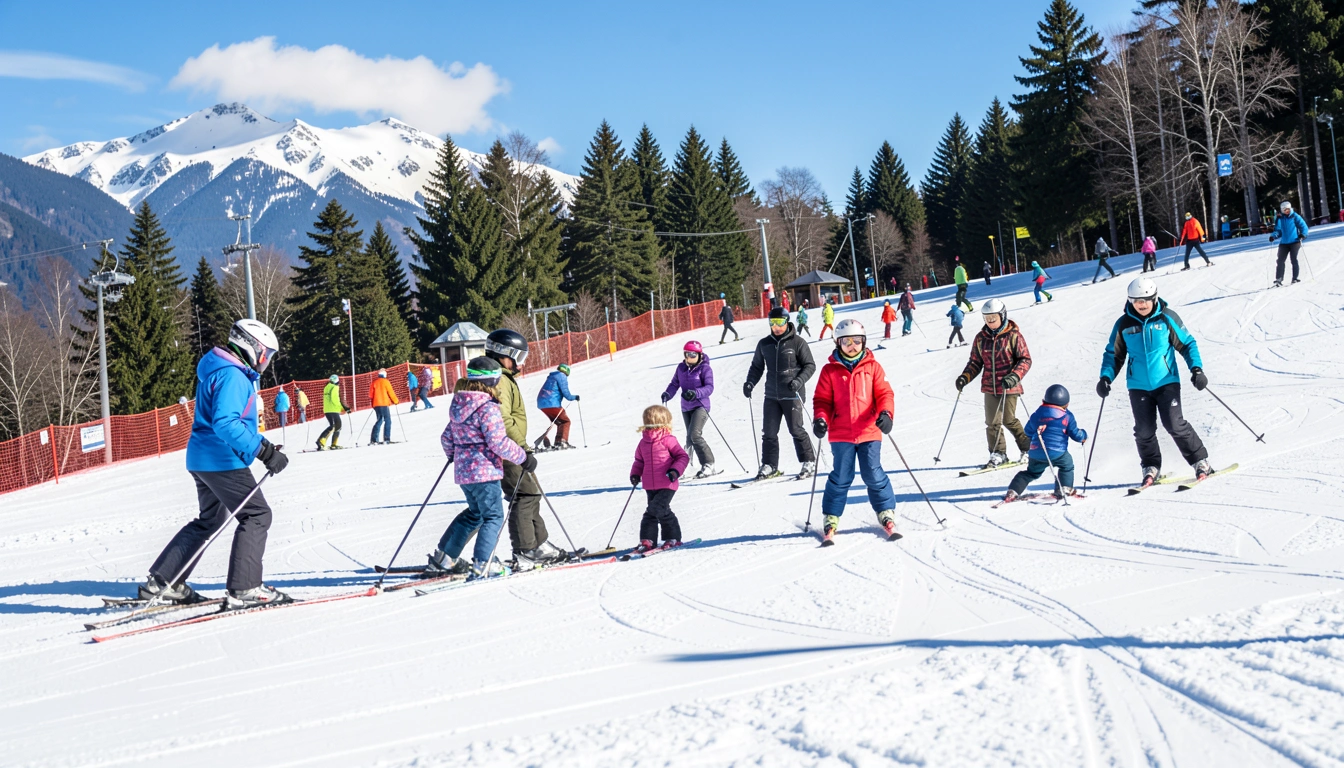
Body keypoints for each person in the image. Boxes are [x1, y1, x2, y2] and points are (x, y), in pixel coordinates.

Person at [139, 319, 291, 609]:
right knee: (257, 515)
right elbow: (226, 424)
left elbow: (228, 421)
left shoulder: (219, 370)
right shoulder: (233, 376)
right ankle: (245, 588)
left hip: (201, 457)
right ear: (254, 348)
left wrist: (265, 445)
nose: (266, 362)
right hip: (221, 460)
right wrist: (264, 452)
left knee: (210, 520)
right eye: (267, 355)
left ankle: (163, 582)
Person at [426, 357, 539, 578]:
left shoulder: (460, 405)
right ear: (493, 380)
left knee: (475, 514)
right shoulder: (488, 407)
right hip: (484, 471)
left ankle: (446, 557)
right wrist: (523, 457)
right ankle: (484, 563)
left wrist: (455, 456)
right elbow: (498, 442)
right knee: (493, 516)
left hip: (464, 474)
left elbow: (446, 437)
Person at [1098, 277, 1216, 487]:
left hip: (1166, 381)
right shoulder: (1124, 323)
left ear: (1154, 298)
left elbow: (1187, 344)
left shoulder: (1166, 318)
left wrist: (1196, 369)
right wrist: (1106, 377)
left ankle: (1200, 461)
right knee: (1144, 430)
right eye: (1136, 301)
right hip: (1138, 385)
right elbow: (1114, 354)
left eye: (1145, 300)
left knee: (1174, 424)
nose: (1141, 305)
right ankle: (1151, 466)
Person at [812, 318, 898, 545]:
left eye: (857, 341)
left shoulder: (873, 367)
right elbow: (822, 400)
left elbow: (884, 395)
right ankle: (831, 517)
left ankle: (886, 512)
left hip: (869, 429)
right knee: (841, 476)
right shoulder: (829, 371)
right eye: (847, 341)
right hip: (841, 433)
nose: (853, 346)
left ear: (864, 341)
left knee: (872, 473)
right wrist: (821, 419)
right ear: (838, 343)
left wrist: (886, 414)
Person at [485, 328, 566, 568]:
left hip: (511, 447)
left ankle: (538, 543)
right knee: (525, 494)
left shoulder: (502, 377)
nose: (520, 364)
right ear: (503, 354)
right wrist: (522, 448)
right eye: (517, 358)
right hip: (508, 448)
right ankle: (527, 548)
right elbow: (503, 418)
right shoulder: (498, 379)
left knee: (530, 493)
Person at [956, 298, 1033, 469]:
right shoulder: (981, 338)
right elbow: (975, 362)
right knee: (992, 422)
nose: (990, 322)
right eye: (987, 318)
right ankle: (998, 453)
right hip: (990, 387)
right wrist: (965, 377)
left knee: (1009, 419)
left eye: (993, 318)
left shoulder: (1014, 336)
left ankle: (1028, 448)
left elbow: (1025, 360)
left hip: (1009, 386)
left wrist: (1014, 376)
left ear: (1002, 315)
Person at [744, 306, 817, 480]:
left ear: (787, 321)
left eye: (780, 322)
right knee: (769, 432)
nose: (777, 327)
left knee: (796, 429)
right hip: (771, 395)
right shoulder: (764, 344)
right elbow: (757, 367)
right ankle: (769, 465)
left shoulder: (797, 342)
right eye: (773, 323)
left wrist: (798, 381)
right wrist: (750, 383)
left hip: (793, 394)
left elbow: (810, 365)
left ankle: (809, 461)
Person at [1002, 384, 1087, 502]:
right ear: (1066, 404)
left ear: (1044, 400)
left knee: (1031, 473)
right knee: (1067, 466)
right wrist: (1083, 436)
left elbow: (1027, 431)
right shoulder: (1067, 416)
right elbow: (1076, 434)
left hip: (1036, 452)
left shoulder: (1037, 414)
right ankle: (1065, 488)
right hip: (1058, 453)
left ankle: (1013, 491)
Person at [628, 404, 691, 554]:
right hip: (650, 484)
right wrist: (635, 474)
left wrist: (675, 471)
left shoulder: (668, 440)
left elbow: (682, 456)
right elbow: (639, 461)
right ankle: (648, 541)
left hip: (667, 482)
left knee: (654, 510)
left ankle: (672, 538)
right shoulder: (643, 442)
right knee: (660, 511)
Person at [661, 341, 717, 478]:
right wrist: (668, 393)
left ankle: (709, 464)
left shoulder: (705, 369)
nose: (690, 357)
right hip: (686, 407)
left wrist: (696, 393)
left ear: (699, 354)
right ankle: (687, 466)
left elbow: (709, 387)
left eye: (693, 355)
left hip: (701, 406)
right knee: (689, 438)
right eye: (687, 354)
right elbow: (674, 383)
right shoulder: (681, 368)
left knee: (694, 435)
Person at [536, 363, 580, 449]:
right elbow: (566, 393)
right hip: (552, 403)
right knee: (566, 421)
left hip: (542, 403)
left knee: (559, 422)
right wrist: (575, 397)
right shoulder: (561, 376)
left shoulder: (552, 376)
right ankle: (562, 442)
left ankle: (557, 442)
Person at [1268, 200, 1308, 286]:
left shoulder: (1295, 216)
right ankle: (1279, 279)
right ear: (1282, 210)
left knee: (1294, 259)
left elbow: (1303, 226)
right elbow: (1278, 230)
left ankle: (1295, 278)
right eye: (1284, 210)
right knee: (1280, 261)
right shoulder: (1280, 218)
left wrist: (1303, 234)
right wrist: (1273, 236)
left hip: (1295, 242)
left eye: (1288, 209)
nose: (1286, 211)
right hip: (1284, 243)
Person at [317, 374, 350, 450]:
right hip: (333, 409)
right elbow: (335, 399)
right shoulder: (335, 387)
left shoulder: (326, 387)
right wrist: (343, 408)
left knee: (333, 426)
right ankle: (323, 441)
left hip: (327, 410)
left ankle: (326, 442)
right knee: (336, 426)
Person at [367, 369, 398, 445]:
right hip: (384, 403)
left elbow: (370, 395)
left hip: (376, 404)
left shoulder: (374, 382)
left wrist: (373, 404)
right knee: (387, 420)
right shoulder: (386, 382)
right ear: (385, 375)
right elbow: (390, 392)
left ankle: (374, 439)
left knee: (380, 420)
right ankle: (386, 438)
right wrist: (395, 401)